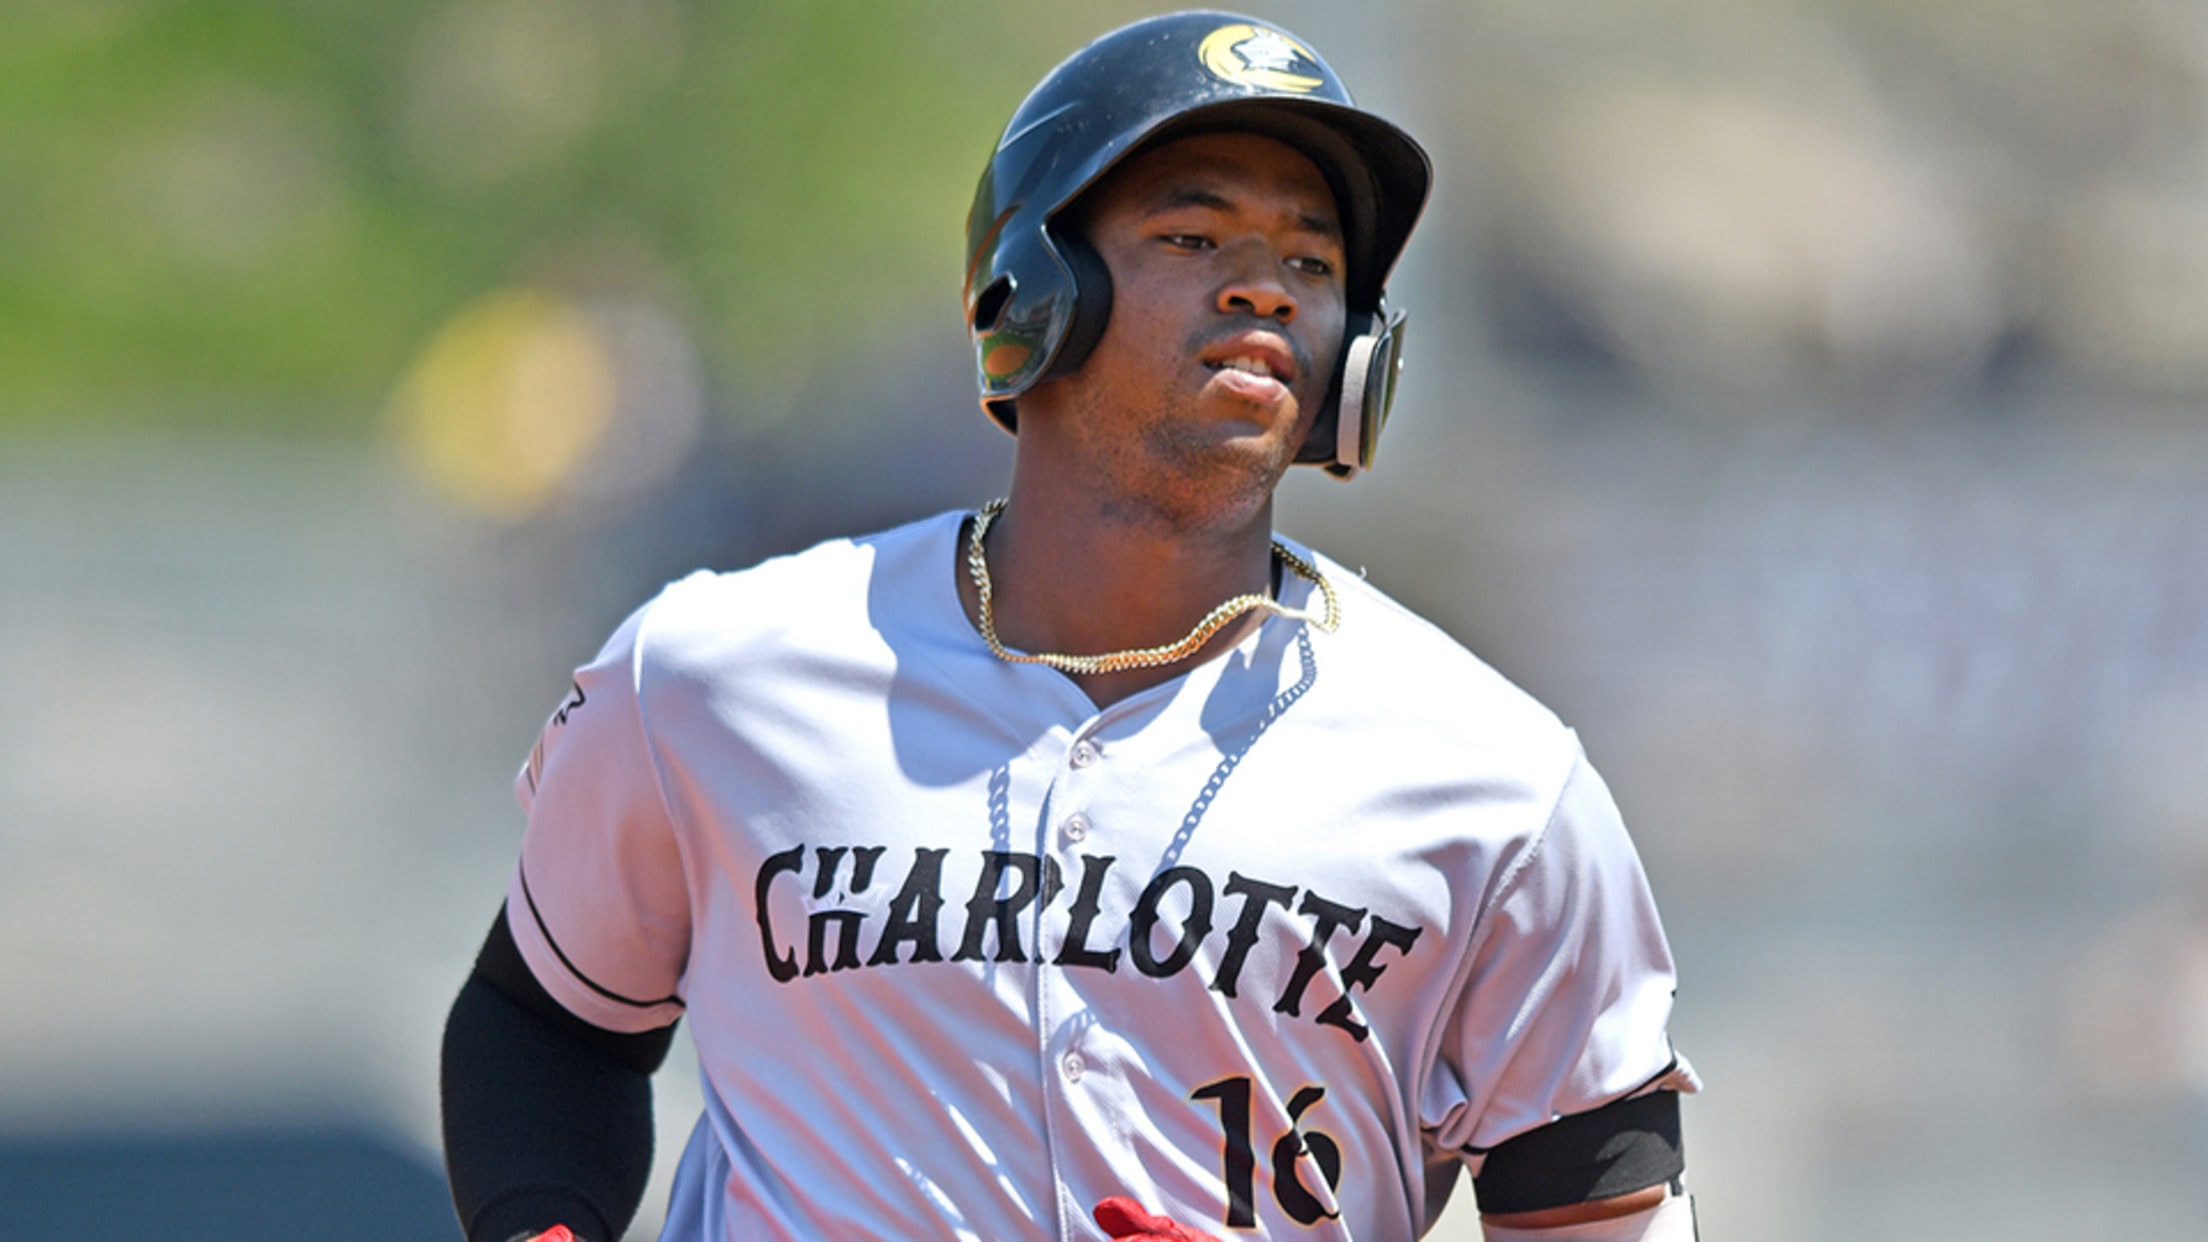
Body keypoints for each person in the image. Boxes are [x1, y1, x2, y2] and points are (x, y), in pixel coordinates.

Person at [440, 12, 1700, 1242]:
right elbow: (543, 1023)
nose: (1263, 287)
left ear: (1358, 350)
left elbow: (1604, 1218)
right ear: (1033, 291)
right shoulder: (716, 672)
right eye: (1193, 235)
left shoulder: (1500, 784)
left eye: (1313, 264)